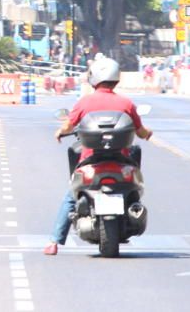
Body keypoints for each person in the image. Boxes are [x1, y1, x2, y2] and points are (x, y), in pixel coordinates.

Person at [43, 56, 152, 255]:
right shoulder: (125, 103)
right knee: (135, 183)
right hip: (121, 161)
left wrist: (60, 132)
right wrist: (148, 133)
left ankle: (54, 242)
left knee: (71, 195)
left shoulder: (85, 102)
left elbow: (68, 125)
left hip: (90, 161)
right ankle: (132, 205)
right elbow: (141, 131)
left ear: (95, 78)